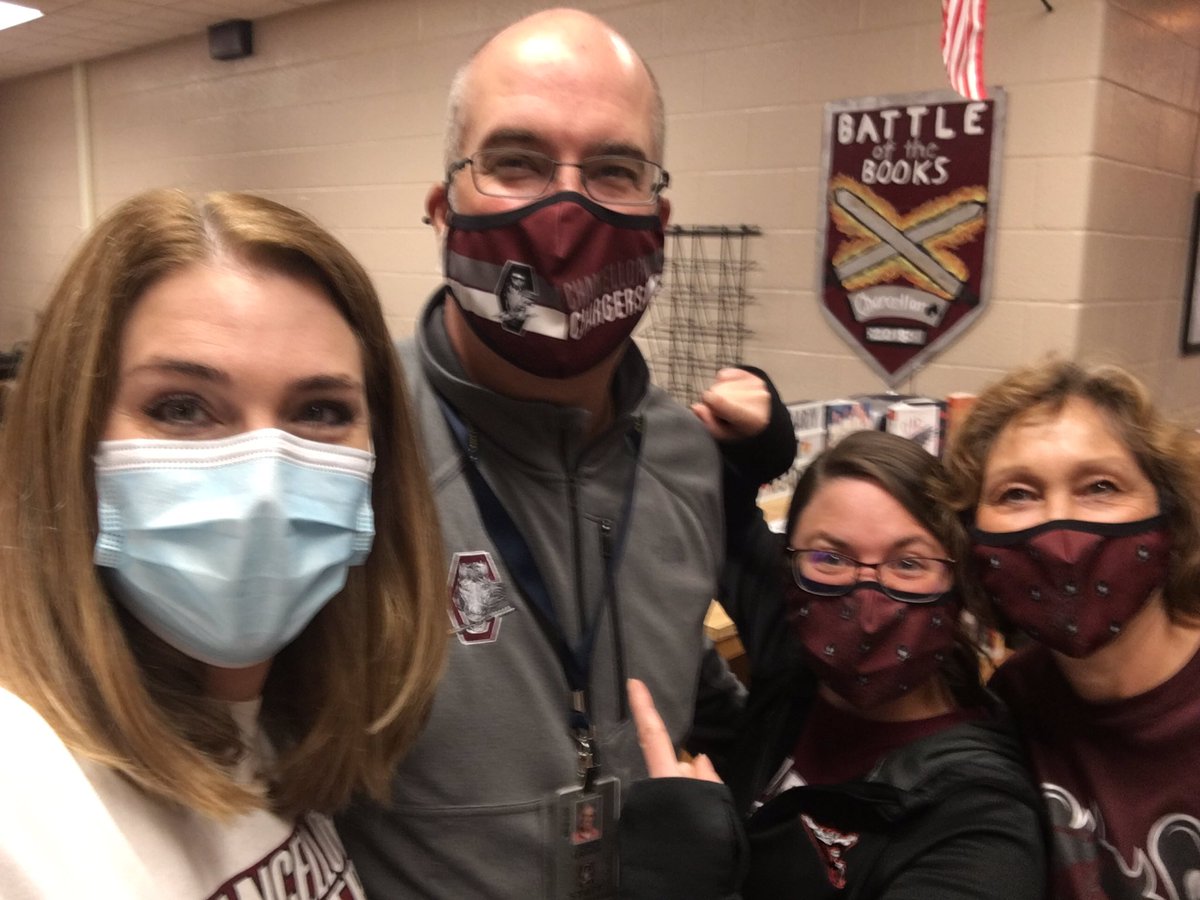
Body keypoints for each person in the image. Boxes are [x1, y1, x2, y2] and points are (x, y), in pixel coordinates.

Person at [335, 8, 794, 898]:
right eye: (516, 162)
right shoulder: (352, 449)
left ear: (658, 221)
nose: (567, 206)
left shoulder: (685, 458)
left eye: (614, 171)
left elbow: (681, 679)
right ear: (443, 207)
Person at [0, 188, 448, 897]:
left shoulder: (268, 727)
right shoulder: (21, 795)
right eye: (181, 407)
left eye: (320, 411)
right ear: (73, 437)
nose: (265, 483)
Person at [621, 430, 1048, 899]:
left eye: (909, 563)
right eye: (831, 557)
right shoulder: (793, 677)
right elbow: (720, 518)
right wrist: (760, 443)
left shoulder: (981, 814)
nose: (866, 606)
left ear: (955, 582)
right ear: (791, 568)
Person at [941, 358, 1200, 900]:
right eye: (1017, 494)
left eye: (1100, 486)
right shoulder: (1014, 700)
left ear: (1170, 516)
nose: (1059, 529)